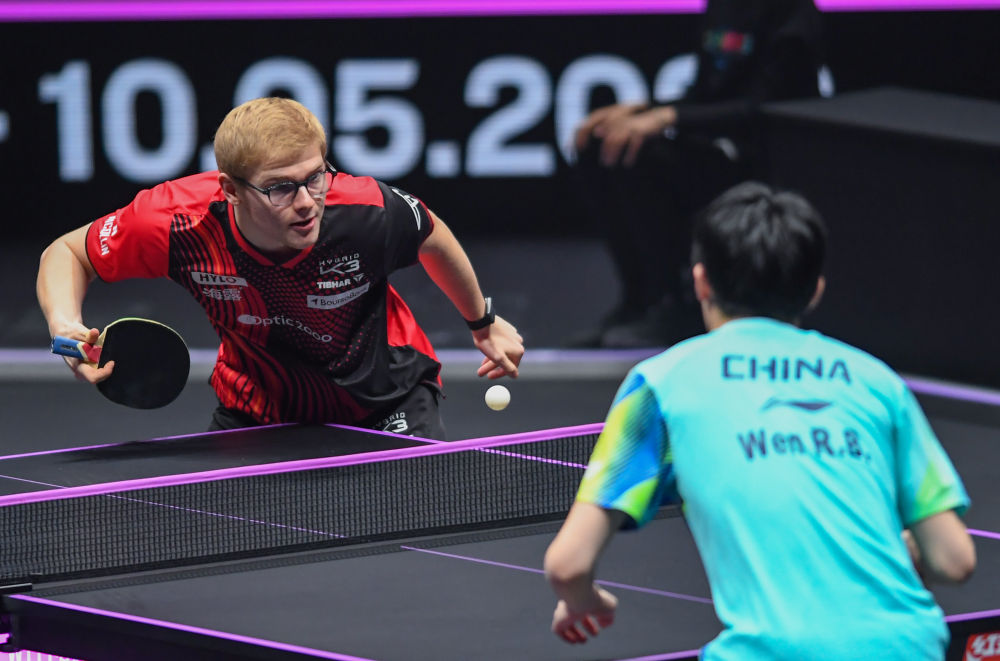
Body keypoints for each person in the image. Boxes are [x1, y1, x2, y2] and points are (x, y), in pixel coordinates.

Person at [544, 182, 975, 659]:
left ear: (701, 282)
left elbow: (567, 565)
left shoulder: (661, 384)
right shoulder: (878, 382)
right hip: (911, 647)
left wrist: (584, 601)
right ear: (815, 290)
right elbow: (954, 560)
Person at [36, 96, 524, 440]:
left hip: (386, 396)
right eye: (280, 188)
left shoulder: (365, 209)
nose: (307, 201)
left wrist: (481, 321)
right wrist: (64, 325)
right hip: (257, 406)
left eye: (315, 177)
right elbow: (67, 252)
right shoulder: (176, 222)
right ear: (230, 189)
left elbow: (432, 235)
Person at [571, 0, 825, 348]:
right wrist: (644, 109)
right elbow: (707, 93)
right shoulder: (722, 7)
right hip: (716, 147)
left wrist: (668, 117)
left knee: (647, 161)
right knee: (600, 146)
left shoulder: (793, 14)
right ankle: (638, 299)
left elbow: (765, 107)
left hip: (767, 158)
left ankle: (673, 303)